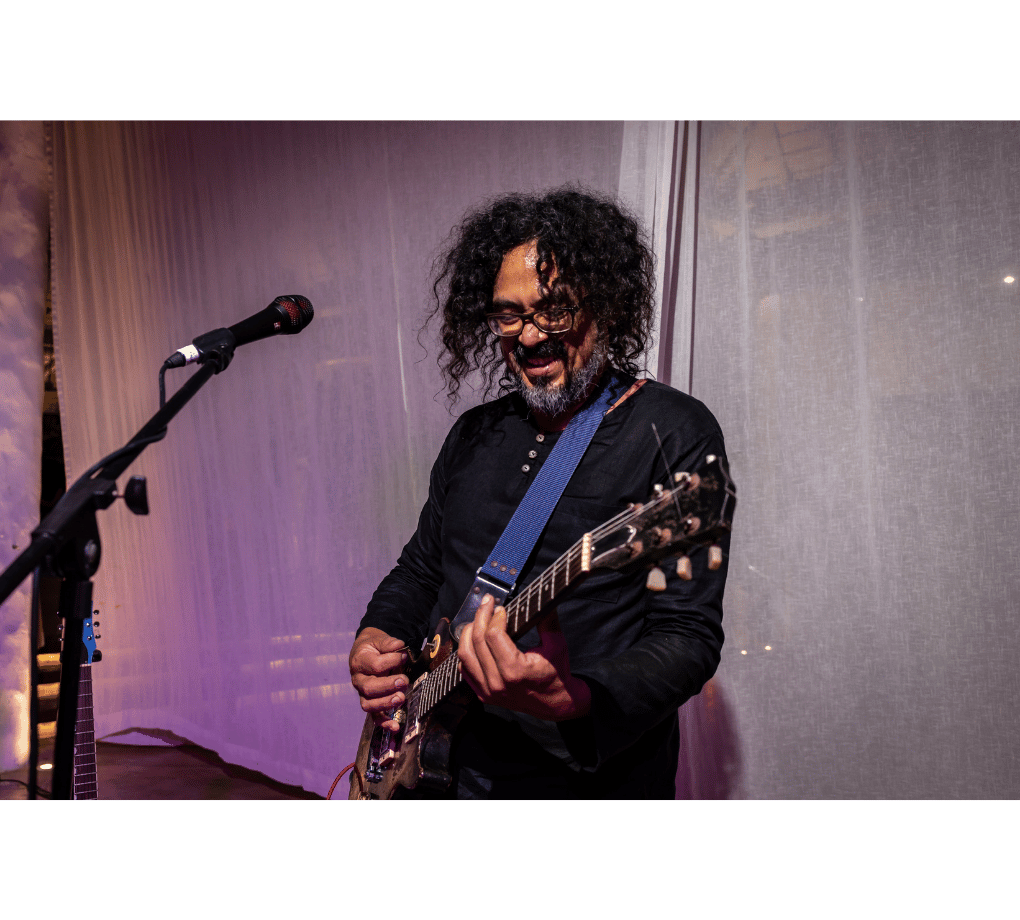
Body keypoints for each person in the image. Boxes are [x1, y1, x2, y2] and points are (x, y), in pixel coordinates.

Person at [349, 188, 728, 799]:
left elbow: (687, 637)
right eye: (508, 314)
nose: (527, 337)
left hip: (581, 781)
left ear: (606, 305)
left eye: (552, 311)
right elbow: (421, 570)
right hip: (437, 765)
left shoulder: (673, 432)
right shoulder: (474, 433)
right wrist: (374, 638)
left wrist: (574, 697)